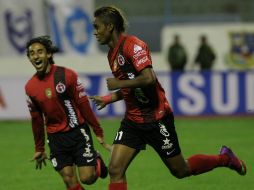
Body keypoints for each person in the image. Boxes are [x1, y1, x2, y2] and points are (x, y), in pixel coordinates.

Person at [91, 6, 247, 190]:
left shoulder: (133, 45)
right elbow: (133, 85)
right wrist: (111, 98)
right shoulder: (112, 54)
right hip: (133, 121)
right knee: (115, 169)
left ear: (109, 27)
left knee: (181, 170)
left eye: (97, 27)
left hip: (157, 119)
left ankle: (225, 159)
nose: (95, 32)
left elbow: (148, 78)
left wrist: (119, 84)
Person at [25, 36, 110, 190]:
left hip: (77, 133)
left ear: (49, 54)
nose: (36, 56)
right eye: (32, 53)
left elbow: (83, 105)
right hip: (56, 138)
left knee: (87, 178)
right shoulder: (30, 87)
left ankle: (96, 159)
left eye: (40, 52)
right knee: (69, 181)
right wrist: (39, 148)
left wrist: (97, 130)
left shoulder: (67, 75)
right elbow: (36, 120)